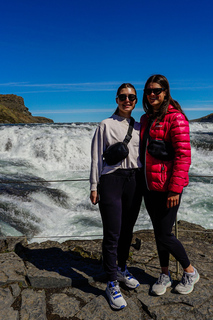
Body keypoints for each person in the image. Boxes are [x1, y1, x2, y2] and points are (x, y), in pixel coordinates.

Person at [140, 74, 199, 295]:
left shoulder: (176, 119)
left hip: (167, 188)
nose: (152, 94)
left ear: (166, 92)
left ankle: (190, 271)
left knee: (165, 233)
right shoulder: (147, 119)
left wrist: (175, 188)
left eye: (156, 90)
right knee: (158, 232)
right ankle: (164, 274)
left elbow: (183, 156)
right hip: (149, 186)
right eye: (148, 91)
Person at [90, 83, 143, 310]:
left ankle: (121, 268)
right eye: (123, 96)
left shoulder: (140, 126)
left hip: (136, 181)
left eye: (131, 97)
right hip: (111, 180)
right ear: (117, 99)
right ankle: (111, 282)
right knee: (112, 232)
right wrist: (94, 186)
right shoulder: (105, 125)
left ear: (136, 100)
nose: (127, 100)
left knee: (127, 231)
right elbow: (95, 158)